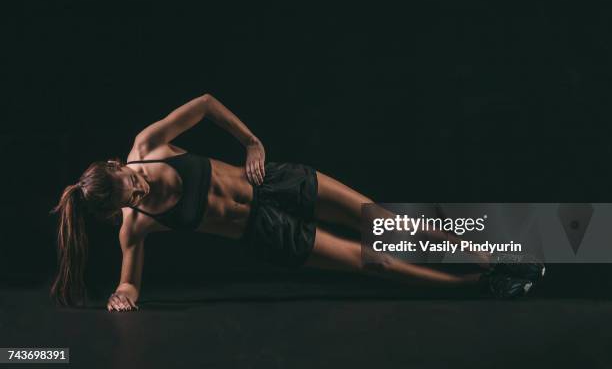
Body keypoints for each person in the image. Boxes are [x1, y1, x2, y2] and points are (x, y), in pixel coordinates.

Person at [50, 93, 544, 311]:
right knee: (371, 263)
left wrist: (251, 143)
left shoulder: (148, 145)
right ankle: (479, 285)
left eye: (129, 185)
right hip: (264, 234)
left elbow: (203, 104)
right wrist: (124, 295)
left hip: (274, 184)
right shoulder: (134, 226)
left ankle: (499, 258)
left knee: (381, 222)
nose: (138, 193)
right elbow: (129, 279)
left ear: (117, 165)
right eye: (127, 200)